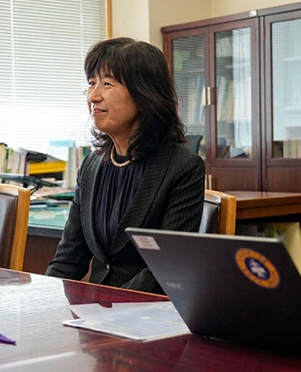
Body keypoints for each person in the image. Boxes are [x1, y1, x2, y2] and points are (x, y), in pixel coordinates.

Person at [46, 37, 205, 293]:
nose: (93, 96)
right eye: (91, 82)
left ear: (144, 94)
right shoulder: (91, 165)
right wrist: (41, 303)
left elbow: (166, 267)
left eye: (107, 83)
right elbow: (69, 258)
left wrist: (108, 307)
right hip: (97, 313)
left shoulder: (182, 167)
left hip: (147, 314)